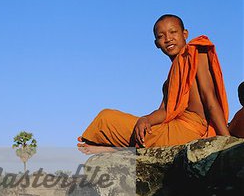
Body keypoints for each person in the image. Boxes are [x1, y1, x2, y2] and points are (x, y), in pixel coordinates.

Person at [78, 14, 230, 154]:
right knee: (139, 128)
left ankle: (112, 149)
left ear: (185, 34)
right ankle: (113, 149)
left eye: (173, 32)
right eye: (161, 36)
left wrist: (228, 142)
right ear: (156, 43)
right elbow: (165, 111)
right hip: (174, 128)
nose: (168, 39)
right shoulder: (169, 81)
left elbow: (210, 98)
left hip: (190, 131)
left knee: (106, 118)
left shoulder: (195, 53)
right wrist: (145, 119)